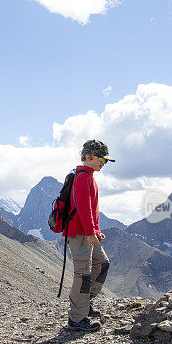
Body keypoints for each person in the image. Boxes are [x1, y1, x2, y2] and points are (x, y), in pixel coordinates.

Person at [63, 139, 114, 332]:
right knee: (83, 275)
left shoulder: (87, 175)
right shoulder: (83, 177)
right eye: (102, 159)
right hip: (81, 234)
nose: (104, 163)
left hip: (88, 233)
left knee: (102, 264)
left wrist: (96, 231)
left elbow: (90, 209)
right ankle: (77, 319)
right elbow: (83, 208)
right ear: (89, 156)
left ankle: (84, 305)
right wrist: (92, 232)